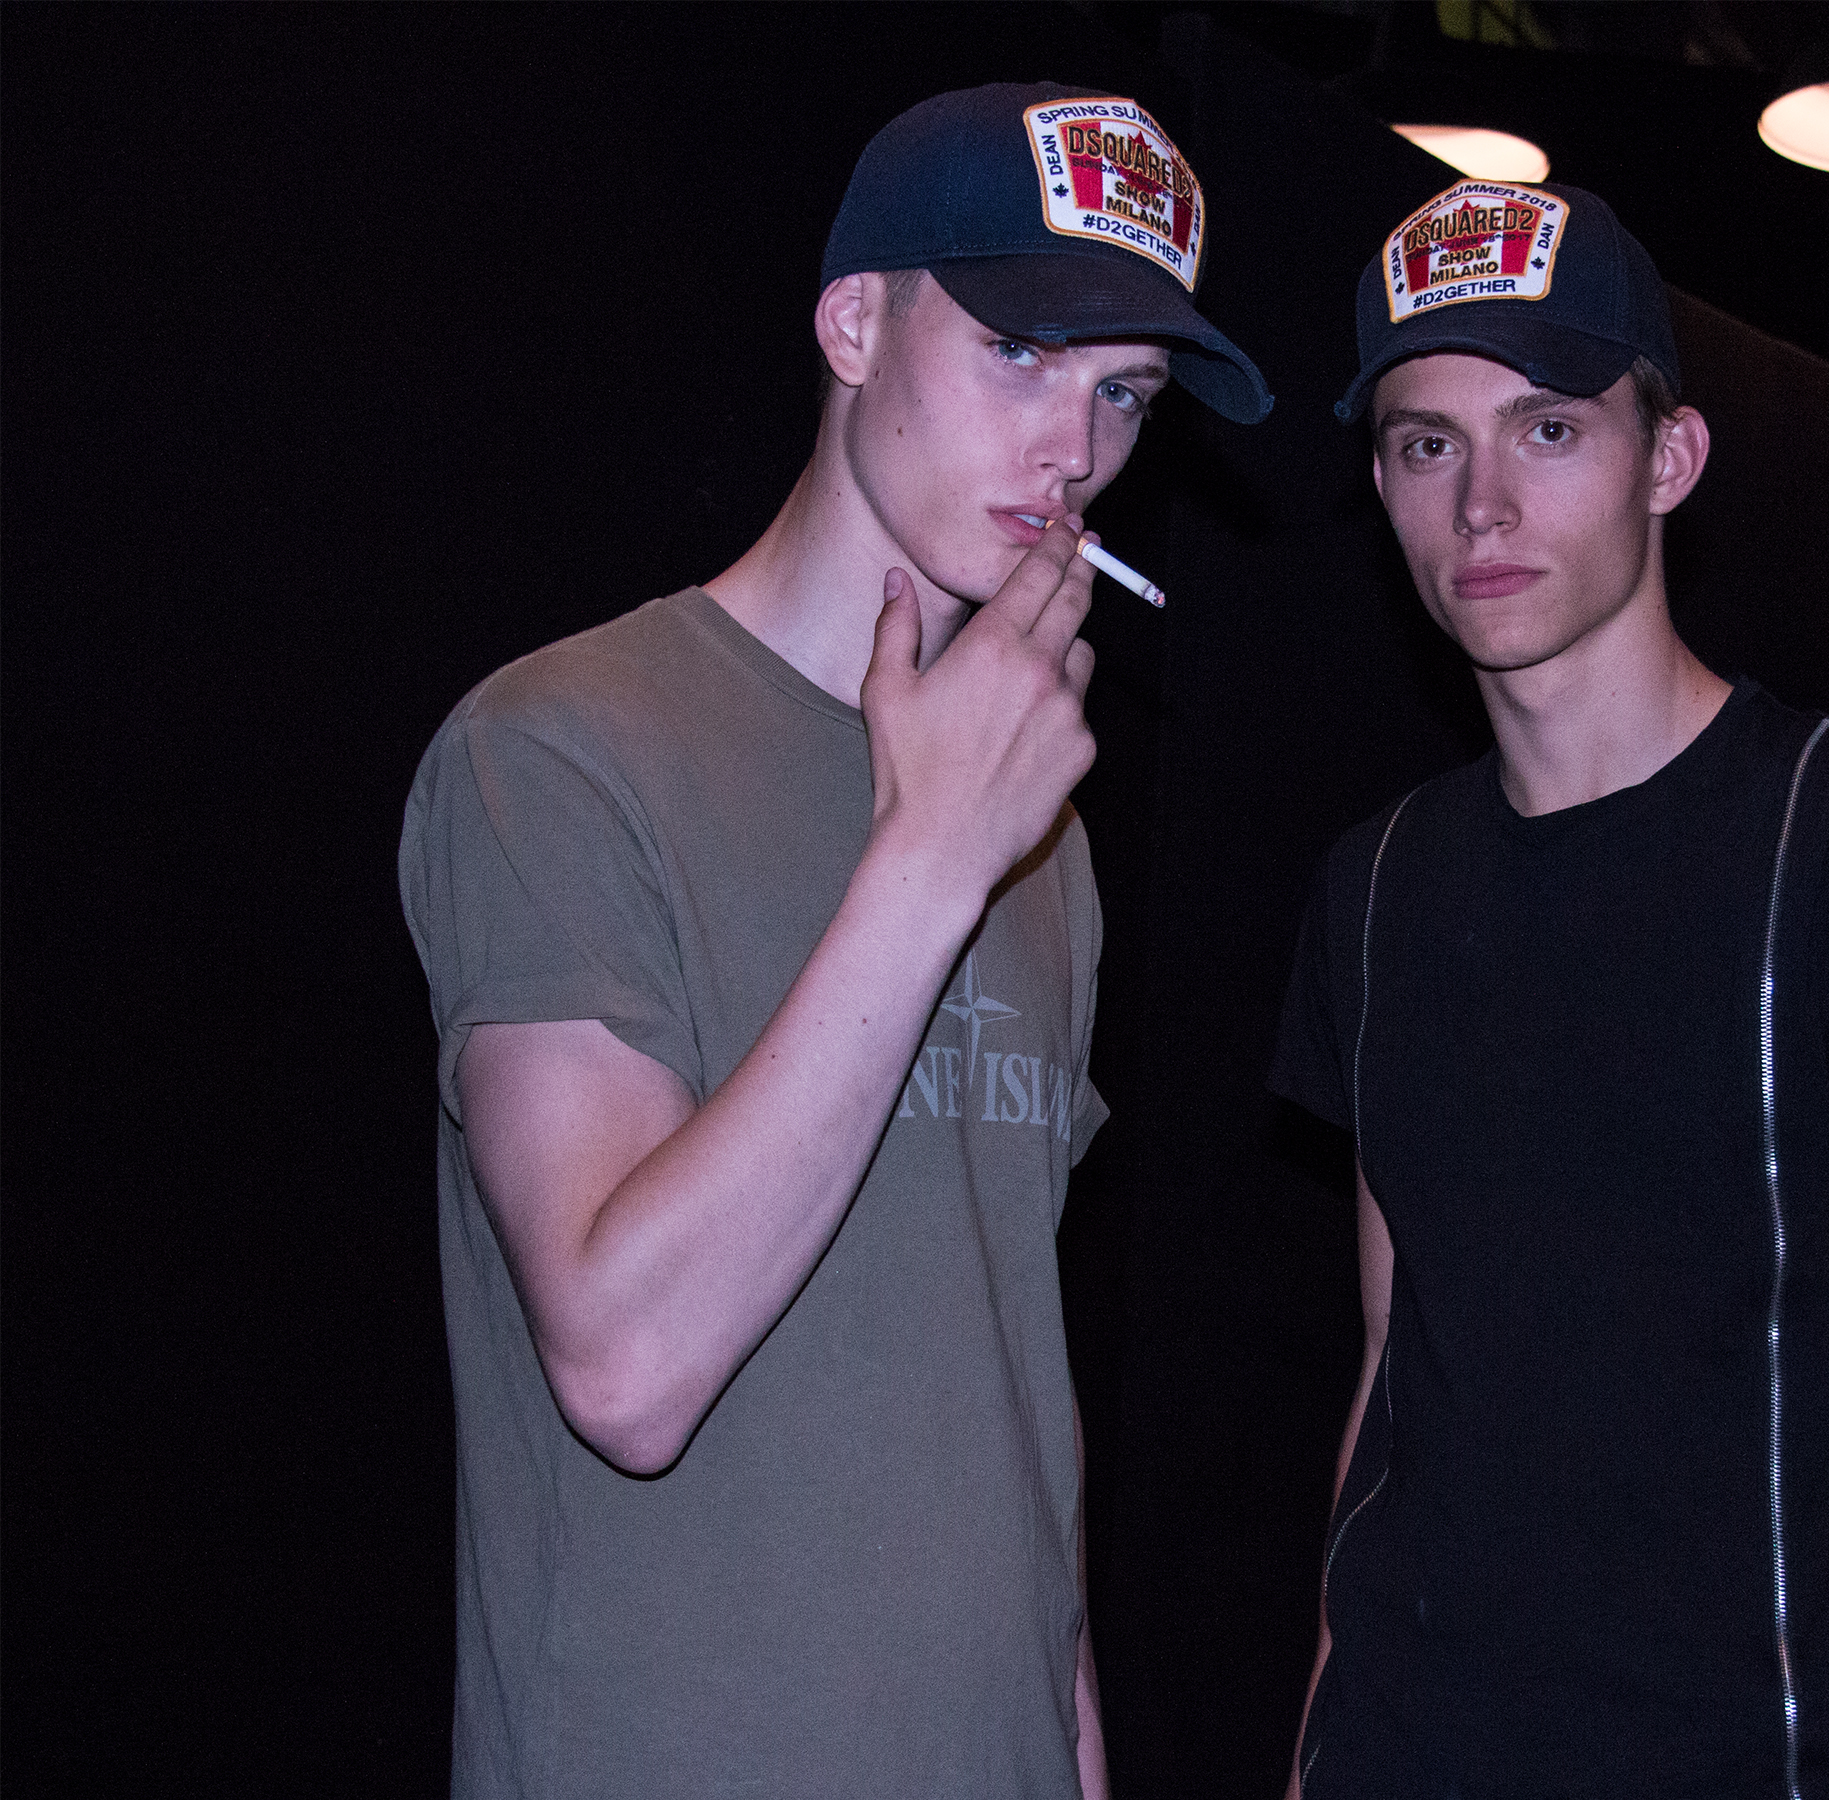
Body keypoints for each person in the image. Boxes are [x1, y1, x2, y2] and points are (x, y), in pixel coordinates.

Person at [399, 84, 1268, 1798]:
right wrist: (931, 856)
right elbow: (626, 1366)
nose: (1076, 451)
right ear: (855, 323)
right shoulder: (561, 749)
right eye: (1023, 353)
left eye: (1124, 393)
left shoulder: (1041, 829)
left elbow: (1006, 1386)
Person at [1270, 180, 1829, 1799]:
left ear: (1668, 459)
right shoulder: (1375, 885)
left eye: (1547, 431)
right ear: (1379, 485)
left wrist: (1792, 1673)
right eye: (1425, 444)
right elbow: (1401, 1362)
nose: (1481, 507)